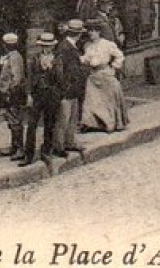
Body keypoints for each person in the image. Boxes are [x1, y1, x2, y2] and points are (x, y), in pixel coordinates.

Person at [22, 32, 65, 165]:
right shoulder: (34, 59)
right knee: (32, 124)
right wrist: (29, 95)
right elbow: (29, 78)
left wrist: (52, 68)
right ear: (41, 46)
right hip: (37, 95)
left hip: (51, 95)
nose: (47, 48)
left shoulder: (57, 59)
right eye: (44, 46)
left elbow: (60, 79)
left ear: (53, 46)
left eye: (49, 46)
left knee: (49, 123)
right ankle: (28, 155)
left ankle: (46, 151)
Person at [80, 22, 129, 132]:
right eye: (89, 31)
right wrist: (79, 60)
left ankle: (111, 123)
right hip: (93, 76)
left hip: (106, 74)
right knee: (91, 101)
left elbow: (119, 56)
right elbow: (86, 59)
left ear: (99, 32)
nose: (90, 33)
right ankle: (94, 124)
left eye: (93, 31)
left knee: (109, 100)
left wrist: (113, 67)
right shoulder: (87, 46)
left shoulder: (107, 44)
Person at [56, 19, 88, 154]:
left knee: (72, 118)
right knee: (64, 119)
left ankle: (69, 142)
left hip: (73, 89)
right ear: (79, 34)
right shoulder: (65, 47)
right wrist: (64, 87)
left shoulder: (71, 46)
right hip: (67, 89)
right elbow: (60, 70)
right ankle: (59, 146)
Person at [0, 33, 27, 160]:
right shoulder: (12, 56)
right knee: (12, 120)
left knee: (15, 121)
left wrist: (10, 93)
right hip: (10, 93)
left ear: (6, 45)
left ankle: (19, 149)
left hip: (13, 94)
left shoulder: (14, 58)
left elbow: (17, 78)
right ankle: (14, 147)